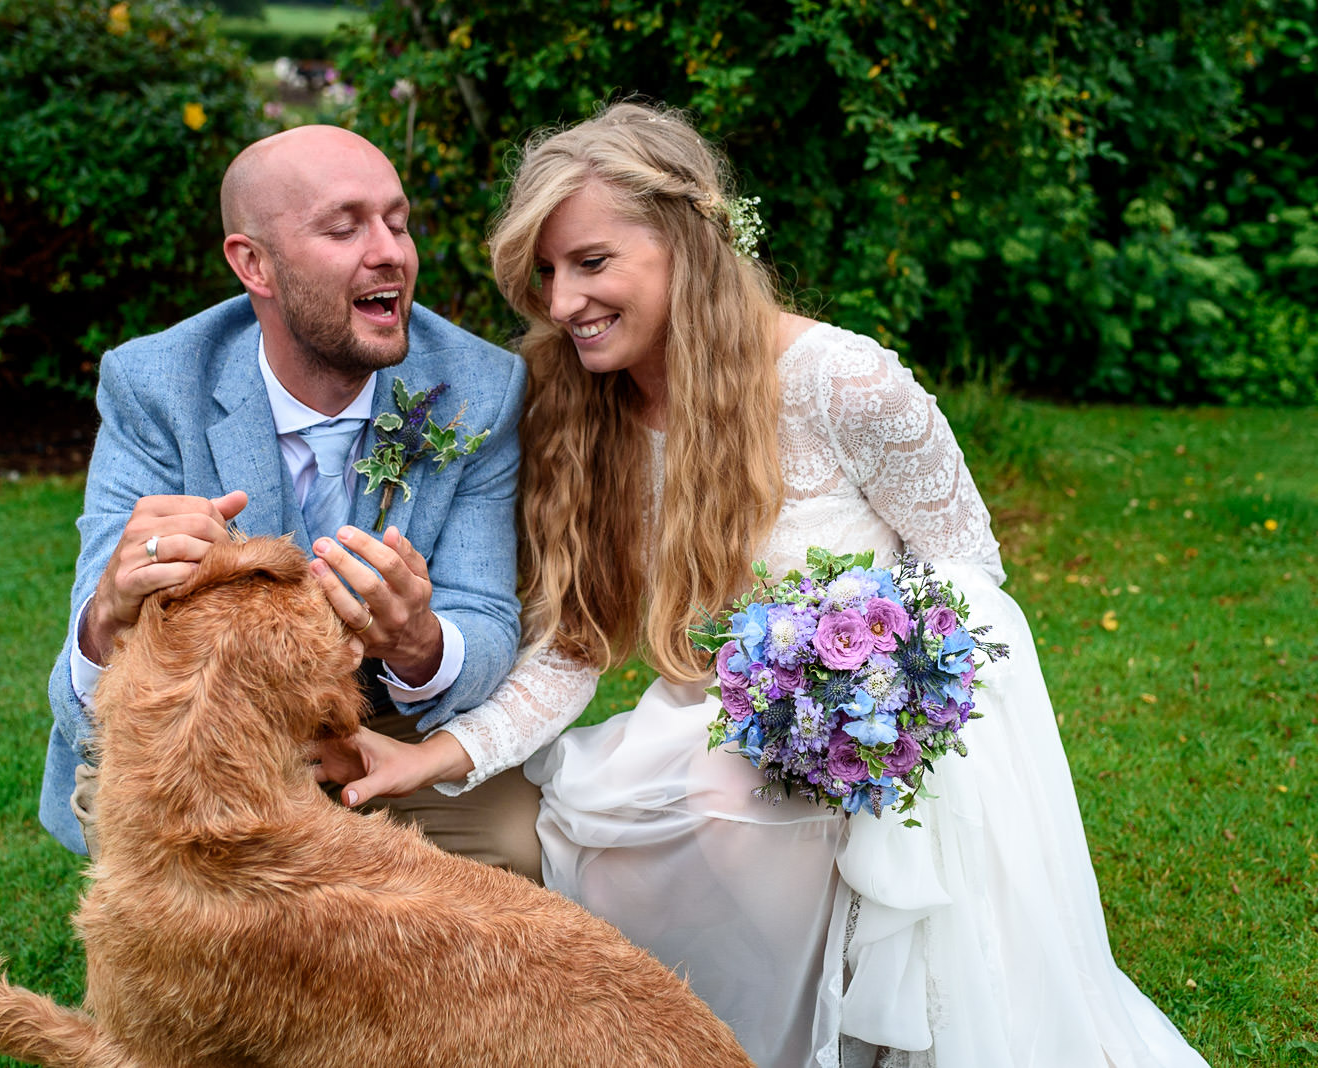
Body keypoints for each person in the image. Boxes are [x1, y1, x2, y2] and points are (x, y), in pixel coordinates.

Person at [321, 103, 1210, 1067]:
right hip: (707, 721)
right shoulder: (580, 412)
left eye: (590, 263)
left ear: (685, 245)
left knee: (725, 799)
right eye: (544, 273)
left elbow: (969, 572)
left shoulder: (843, 383)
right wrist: (439, 753)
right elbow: (574, 644)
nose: (562, 301)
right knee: (603, 831)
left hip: (879, 736)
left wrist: (868, 684)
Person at [38, 124, 542, 886]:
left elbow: (487, 621)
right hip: (203, 726)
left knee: (516, 844)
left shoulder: (479, 386)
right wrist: (107, 609)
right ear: (254, 264)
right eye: (344, 227)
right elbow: (83, 692)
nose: (391, 253)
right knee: (216, 912)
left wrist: (421, 642)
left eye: (398, 223)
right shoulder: (155, 384)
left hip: (390, 727)